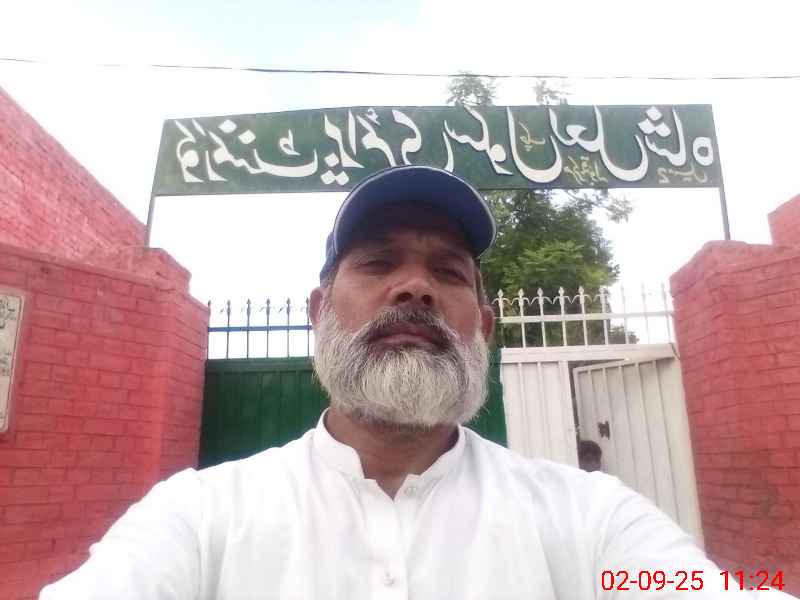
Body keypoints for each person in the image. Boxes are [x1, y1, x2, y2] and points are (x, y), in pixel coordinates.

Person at [41, 166, 781, 599]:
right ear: (319, 311)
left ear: (482, 327)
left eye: (447, 271)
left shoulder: (588, 518)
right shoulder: (200, 516)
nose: (414, 288)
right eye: (378, 262)